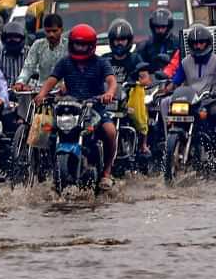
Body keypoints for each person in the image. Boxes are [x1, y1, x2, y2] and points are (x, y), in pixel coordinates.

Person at [33, 24, 118, 189]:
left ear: (91, 45)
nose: (80, 48)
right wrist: (42, 94)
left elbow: (111, 81)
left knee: (110, 131)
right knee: (44, 130)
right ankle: (44, 171)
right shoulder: (65, 62)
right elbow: (52, 79)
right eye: (77, 44)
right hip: (70, 108)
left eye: (84, 45)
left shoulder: (101, 63)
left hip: (95, 108)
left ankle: (107, 172)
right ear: (71, 44)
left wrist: (109, 93)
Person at [162, 24, 216, 135]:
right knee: (173, 113)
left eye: (201, 43)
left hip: (210, 99)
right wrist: (166, 90)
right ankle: (167, 140)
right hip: (190, 100)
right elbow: (176, 81)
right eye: (195, 43)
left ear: (208, 43)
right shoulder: (185, 61)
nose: (198, 46)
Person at [105, 19, 151, 155]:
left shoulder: (135, 59)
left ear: (129, 41)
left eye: (123, 40)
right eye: (116, 40)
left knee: (138, 113)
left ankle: (143, 144)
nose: (119, 43)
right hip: (108, 98)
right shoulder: (104, 59)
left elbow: (146, 78)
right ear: (111, 41)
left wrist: (139, 82)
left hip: (129, 98)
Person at [15, 13, 68, 88]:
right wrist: (20, 82)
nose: (51, 35)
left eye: (54, 31)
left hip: (63, 91)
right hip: (41, 90)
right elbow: (28, 67)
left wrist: (67, 84)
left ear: (61, 30)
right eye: (48, 31)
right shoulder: (38, 45)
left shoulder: (68, 46)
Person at [0, 21, 29, 88]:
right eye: (9, 38)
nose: (12, 40)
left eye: (16, 38)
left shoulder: (30, 53)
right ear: (3, 39)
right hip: (3, 94)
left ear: (22, 38)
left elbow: (38, 74)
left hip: (26, 93)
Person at [138, 8, 178, 73]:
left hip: (173, 79)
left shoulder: (178, 43)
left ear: (168, 27)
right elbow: (139, 65)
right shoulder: (146, 45)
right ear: (153, 27)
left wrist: (170, 61)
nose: (160, 30)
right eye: (157, 27)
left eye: (163, 27)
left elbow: (183, 65)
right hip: (152, 80)